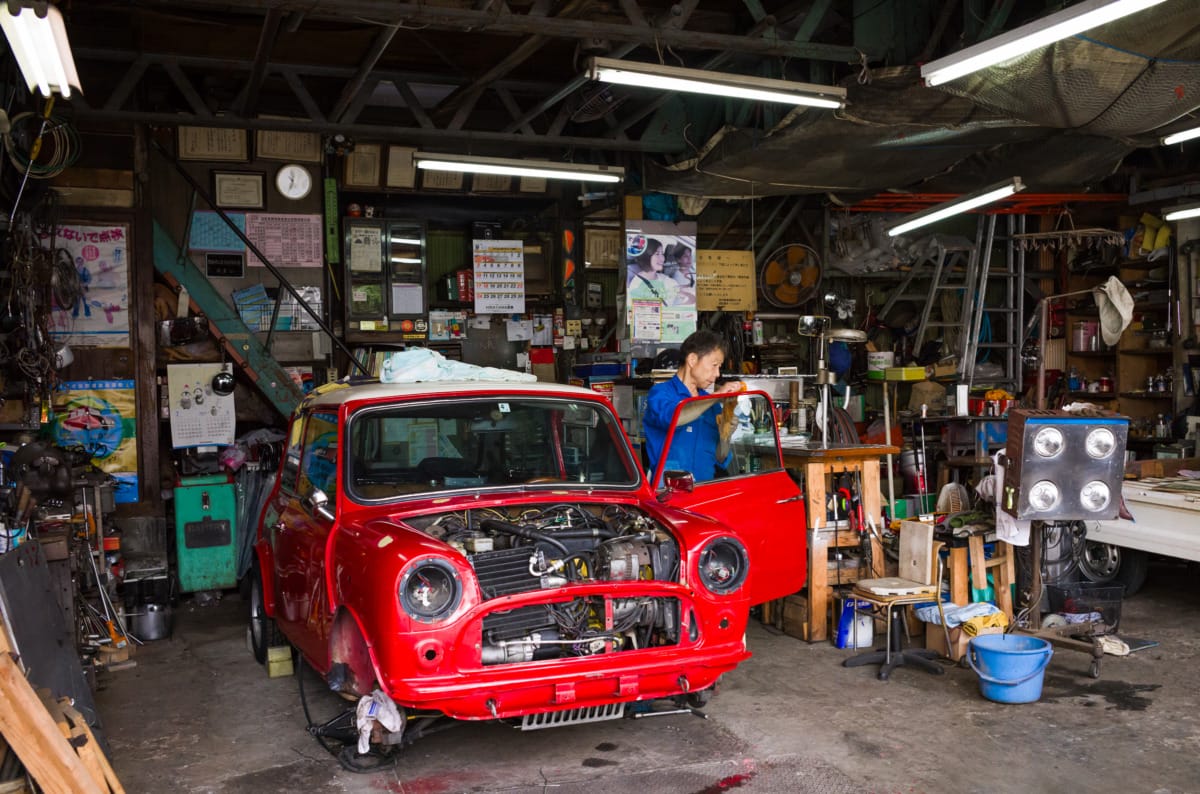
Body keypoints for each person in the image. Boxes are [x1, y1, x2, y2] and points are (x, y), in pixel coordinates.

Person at [641, 330, 742, 482]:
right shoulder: (661, 393)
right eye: (714, 365)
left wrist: (725, 435)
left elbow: (720, 458)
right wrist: (716, 396)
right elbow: (674, 417)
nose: (717, 374)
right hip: (669, 490)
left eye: (719, 367)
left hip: (705, 488)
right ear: (693, 360)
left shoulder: (710, 403)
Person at [627, 238, 679, 306]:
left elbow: (676, 290)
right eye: (657, 254)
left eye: (662, 253)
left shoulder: (664, 279)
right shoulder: (636, 286)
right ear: (646, 257)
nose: (663, 258)